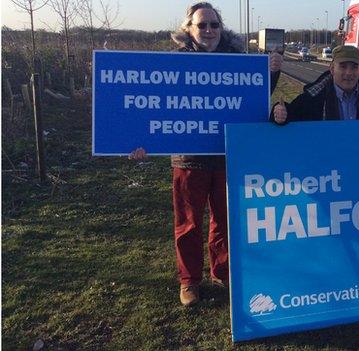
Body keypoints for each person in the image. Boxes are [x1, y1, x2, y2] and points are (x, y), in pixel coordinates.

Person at [130, 2, 282, 306]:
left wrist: (273, 75)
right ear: (188, 29)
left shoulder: (238, 61)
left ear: (221, 28)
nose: (209, 31)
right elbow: (152, 105)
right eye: (202, 25)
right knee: (188, 223)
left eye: (214, 24)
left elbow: (253, 101)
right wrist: (139, 140)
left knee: (225, 220)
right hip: (189, 157)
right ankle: (189, 281)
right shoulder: (174, 64)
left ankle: (223, 272)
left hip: (228, 155)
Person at [271, 45, 359, 123]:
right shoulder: (314, 97)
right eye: (343, 67)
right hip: (329, 166)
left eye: (354, 67)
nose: (349, 73)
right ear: (332, 69)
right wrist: (281, 113)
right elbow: (288, 116)